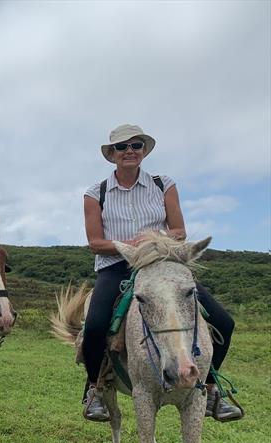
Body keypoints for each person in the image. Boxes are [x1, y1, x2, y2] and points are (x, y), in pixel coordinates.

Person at [81, 123, 243, 423]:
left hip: (161, 263)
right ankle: (96, 389)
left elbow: (179, 231)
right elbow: (95, 242)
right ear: (111, 154)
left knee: (224, 322)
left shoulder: (163, 183)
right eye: (122, 146)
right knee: (94, 327)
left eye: (136, 145)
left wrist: (154, 242)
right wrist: (132, 245)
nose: (129, 151)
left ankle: (210, 389)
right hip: (117, 265)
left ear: (143, 151)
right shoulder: (95, 193)